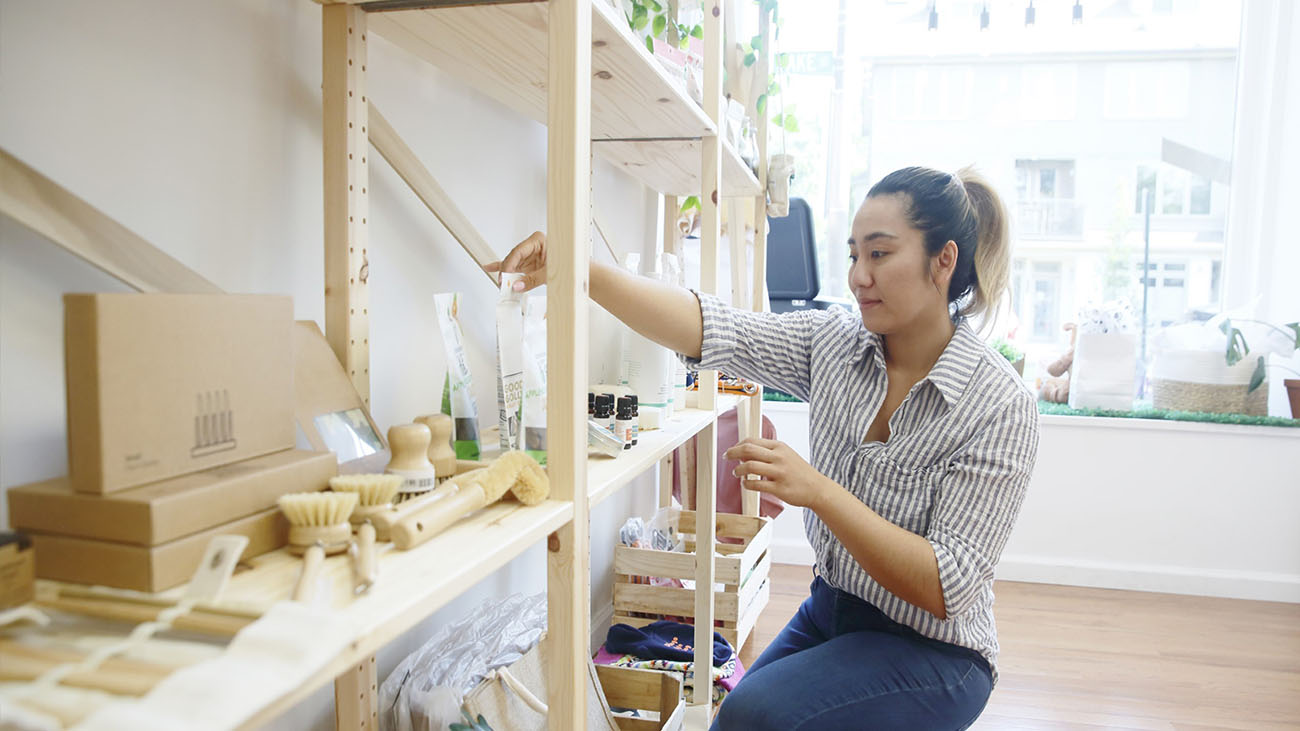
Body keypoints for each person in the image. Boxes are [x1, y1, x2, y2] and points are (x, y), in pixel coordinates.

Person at [487, 166, 1040, 730]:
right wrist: (577, 270)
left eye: (880, 255)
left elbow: (946, 585)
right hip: (835, 610)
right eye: (854, 256)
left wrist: (819, 493)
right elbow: (715, 328)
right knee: (738, 718)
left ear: (942, 261)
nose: (858, 277)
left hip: (937, 652)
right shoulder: (837, 344)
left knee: (755, 714)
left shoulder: (1000, 405)